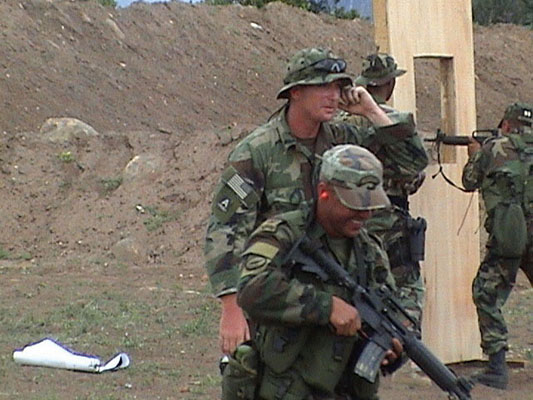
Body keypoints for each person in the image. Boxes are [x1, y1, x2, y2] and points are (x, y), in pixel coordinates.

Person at [204, 47, 428, 356]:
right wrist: (231, 306)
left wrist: (373, 112)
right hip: (281, 295)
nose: (333, 95)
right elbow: (226, 229)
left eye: (338, 87)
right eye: (323, 86)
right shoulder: (257, 152)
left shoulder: (344, 140)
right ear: (295, 92)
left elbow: (411, 165)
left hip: (338, 292)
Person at [235, 144, 403, 400]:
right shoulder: (283, 233)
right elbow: (251, 289)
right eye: (354, 204)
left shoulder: (368, 250)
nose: (365, 214)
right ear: (324, 192)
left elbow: (386, 299)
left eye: (370, 205)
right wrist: (326, 307)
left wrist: (388, 348)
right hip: (287, 389)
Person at [336, 53, 428, 324]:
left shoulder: (341, 121)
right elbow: (415, 171)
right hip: (389, 221)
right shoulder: (393, 120)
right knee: (406, 298)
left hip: (347, 218)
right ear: (390, 84)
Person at [462, 102, 533, 390]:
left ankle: (496, 367)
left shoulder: (495, 148)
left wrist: (474, 155)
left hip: (509, 234)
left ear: (506, 124)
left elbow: (469, 181)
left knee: (486, 293)